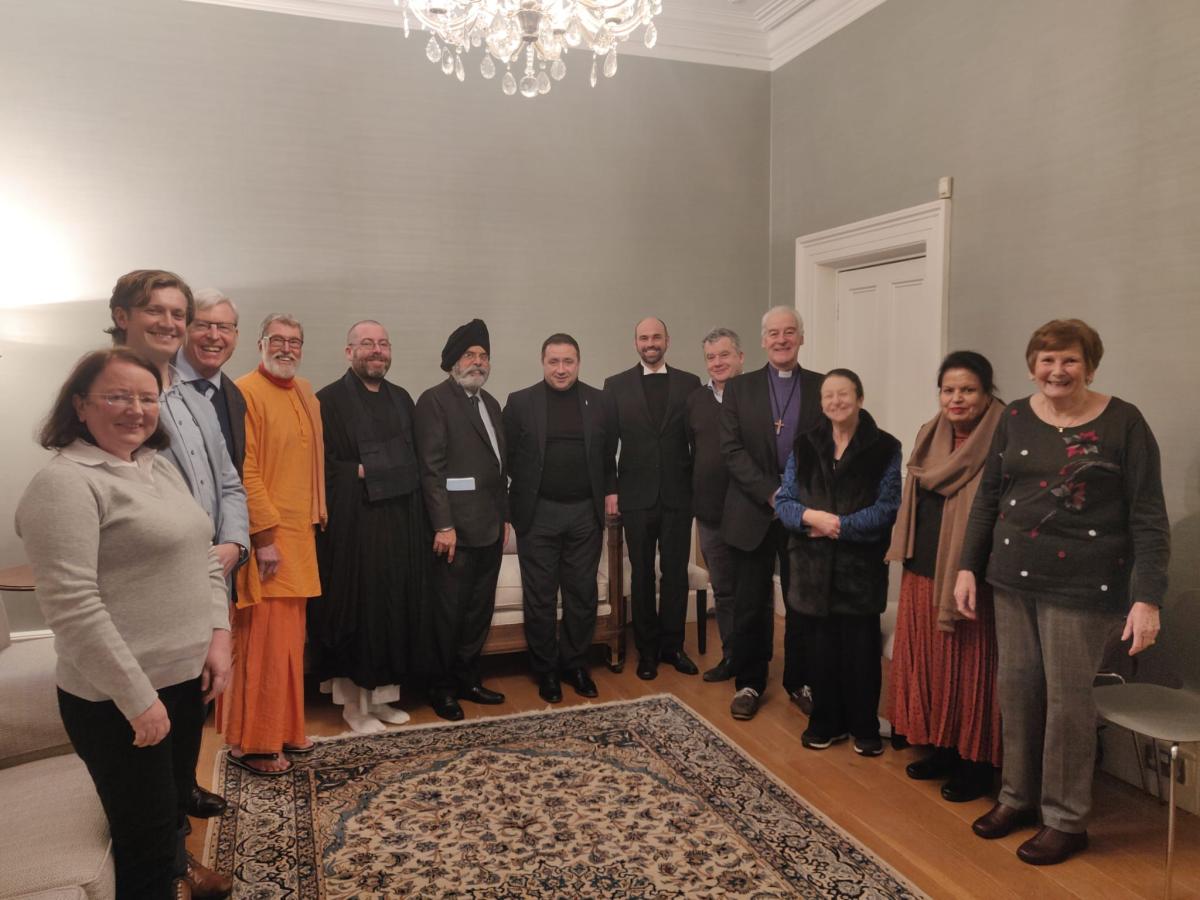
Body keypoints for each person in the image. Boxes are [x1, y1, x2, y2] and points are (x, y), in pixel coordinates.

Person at [16, 348, 233, 900]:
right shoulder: (64, 485)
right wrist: (137, 698)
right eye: (117, 396)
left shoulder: (155, 466)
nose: (135, 409)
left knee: (171, 815)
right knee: (144, 841)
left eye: (146, 397)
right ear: (80, 405)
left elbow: (203, 555)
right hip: (120, 700)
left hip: (184, 682)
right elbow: (72, 606)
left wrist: (219, 634)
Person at [956, 319, 1169, 866]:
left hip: (1083, 586)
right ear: (1033, 365)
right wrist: (966, 568)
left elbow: (1148, 515)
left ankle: (1066, 819)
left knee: (1068, 704)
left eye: (1069, 360)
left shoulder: (1124, 422)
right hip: (1011, 577)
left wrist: (1147, 597)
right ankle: (1017, 798)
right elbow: (988, 499)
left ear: (1089, 365)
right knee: (1018, 690)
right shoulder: (1016, 418)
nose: (1057, 370)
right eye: (1047, 360)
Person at [107, 270, 247, 868]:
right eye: (154, 312)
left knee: (196, 695)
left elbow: (229, 483)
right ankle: (166, 840)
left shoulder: (196, 398)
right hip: (152, 582)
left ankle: (184, 787)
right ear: (121, 316)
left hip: (211, 572)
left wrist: (234, 544)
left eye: (177, 314)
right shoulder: (111, 395)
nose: (170, 324)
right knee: (155, 706)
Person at [885, 351, 1005, 802]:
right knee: (931, 664)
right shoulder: (929, 433)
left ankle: (975, 763)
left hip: (973, 574)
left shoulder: (1003, 437)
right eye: (949, 389)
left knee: (971, 668)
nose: (957, 398)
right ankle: (939, 746)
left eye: (968, 390)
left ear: (987, 391)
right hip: (925, 565)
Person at [219, 314, 327, 775]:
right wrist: (263, 537)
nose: (286, 348)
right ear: (260, 343)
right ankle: (253, 744)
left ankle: (285, 730)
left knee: (289, 642)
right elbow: (245, 470)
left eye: (294, 341)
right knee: (261, 644)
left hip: (300, 537)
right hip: (269, 541)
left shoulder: (304, 391)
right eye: (277, 340)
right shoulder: (243, 391)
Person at [776, 368, 901, 756]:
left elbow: (887, 508)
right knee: (820, 651)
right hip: (811, 569)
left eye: (843, 394)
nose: (835, 402)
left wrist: (838, 527)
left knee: (861, 652)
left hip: (859, 569)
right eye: (828, 395)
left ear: (859, 398)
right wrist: (812, 519)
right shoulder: (805, 445)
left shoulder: (885, 447)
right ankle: (825, 721)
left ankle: (863, 724)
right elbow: (786, 503)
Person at [311, 321, 423, 733]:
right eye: (366, 344)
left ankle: (382, 699)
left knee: (392, 609)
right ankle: (354, 707)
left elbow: (415, 458)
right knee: (358, 612)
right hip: (352, 528)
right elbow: (321, 468)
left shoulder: (402, 398)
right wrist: (365, 470)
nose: (376, 351)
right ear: (348, 352)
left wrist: (379, 469)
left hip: (397, 522)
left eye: (382, 344)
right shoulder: (327, 401)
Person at [720, 306, 822, 720]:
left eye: (789, 332)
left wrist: (794, 499)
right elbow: (731, 450)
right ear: (762, 340)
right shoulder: (739, 388)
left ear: (801, 337)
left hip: (802, 515)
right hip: (751, 511)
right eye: (774, 333)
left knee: (802, 603)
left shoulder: (820, 387)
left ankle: (800, 680)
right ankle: (749, 681)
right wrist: (770, 493)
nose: (781, 339)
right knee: (750, 603)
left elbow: (828, 449)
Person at [504, 333, 615, 702]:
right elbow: (504, 461)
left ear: (579, 363)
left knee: (582, 594)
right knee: (540, 597)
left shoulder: (599, 402)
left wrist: (610, 495)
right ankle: (546, 671)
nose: (561, 369)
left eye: (568, 361)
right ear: (543, 362)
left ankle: (576, 665)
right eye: (554, 361)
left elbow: (606, 458)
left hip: (585, 511)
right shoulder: (520, 403)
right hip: (538, 514)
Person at [415, 319, 509, 721]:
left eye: (483, 356)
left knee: (477, 611)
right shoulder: (434, 401)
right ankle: (441, 688)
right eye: (470, 355)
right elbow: (431, 469)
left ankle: (469, 679)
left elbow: (498, 470)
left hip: (489, 528)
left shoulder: (490, 404)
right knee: (448, 614)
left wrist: (505, 519)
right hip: (454, 531)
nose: (478, 362)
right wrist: (443, 525)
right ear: (453, 362)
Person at [602, 317, 702, 680]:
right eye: (643, 337)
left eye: (656, 336)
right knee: (642, 574)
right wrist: (611, 490)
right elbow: (606, 446)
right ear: (635, 343)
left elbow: (699, 440)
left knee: (674, 574)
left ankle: (672, 646)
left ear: (667, 340)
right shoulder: (615, 386)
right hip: (636, 495)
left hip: (678, 495)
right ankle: (646, 651)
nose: (650, 342)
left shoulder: (691, 384)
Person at [685, 327, 745, 682]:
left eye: (724, 355)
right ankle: (732, 657)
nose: (717, 363)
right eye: (711, 357)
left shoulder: (756, 394)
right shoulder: (695, 400)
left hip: (751, 511)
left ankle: (757, 659)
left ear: (740, 357)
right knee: (723, 589)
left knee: (753, 590)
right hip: (710, 512)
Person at [176, 288, 247, 476]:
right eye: (202, 325)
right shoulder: (153, 383)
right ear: (184, 329)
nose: (214, 336)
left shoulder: (236, 399)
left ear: (236, 336)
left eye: (224, 327)